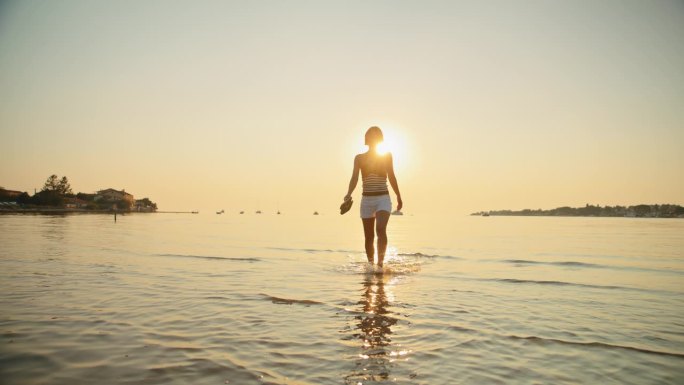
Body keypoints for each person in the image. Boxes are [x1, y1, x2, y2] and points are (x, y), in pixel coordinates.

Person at [344, 126, 403, 267]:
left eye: (376, 136)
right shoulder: (359, 158)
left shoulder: (387, 156)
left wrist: (399, 196)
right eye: (371, 136)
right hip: (366, 200)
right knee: (369, 236)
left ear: (380, 139)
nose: (374, 138)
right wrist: (348, 193)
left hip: (383, 198)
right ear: (367, 139)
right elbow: (354, 178)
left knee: (380, 230)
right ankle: (371, 265)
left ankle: (380, 265)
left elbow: (392, 176)